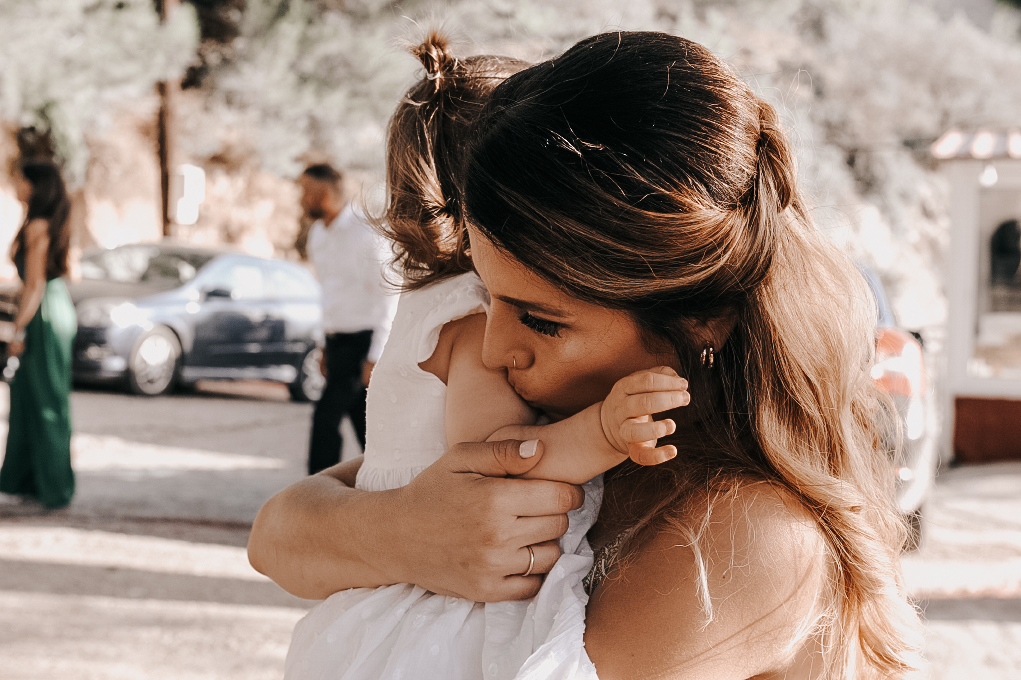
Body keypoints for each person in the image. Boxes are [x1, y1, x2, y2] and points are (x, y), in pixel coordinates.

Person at [251, 31, 924, 679]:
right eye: (487, 297)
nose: (494, 349)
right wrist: (407, 532)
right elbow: (276, 534)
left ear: (701, 320)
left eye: (541, 322)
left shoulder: (749, 535)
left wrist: (391, 537)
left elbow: (306, 532)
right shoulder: (563, 427)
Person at [285, 33, 687, 680]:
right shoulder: (475, 314)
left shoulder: (430, 303)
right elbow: (496, 464)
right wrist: (605, 430)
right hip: (452, 614)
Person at [300, 163, 396, 474]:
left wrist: (375, 355)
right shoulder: (318, 234)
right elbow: (328, 294)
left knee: (325, 417)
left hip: (362, 343)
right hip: (336, 342)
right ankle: (385, 477)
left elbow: (386, 294)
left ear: (325, 194)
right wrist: (323, 344)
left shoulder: (365, 233)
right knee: (361, 419)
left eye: (306, 192)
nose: (300, 199)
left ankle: (316, 487)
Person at [0, 160, 77, 510]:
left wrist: (18, 329)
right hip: (53, 308)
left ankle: (54, 488)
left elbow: (35, 285)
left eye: (20, 180)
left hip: (43, 315)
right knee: (30, 400)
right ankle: (30, 482)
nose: (16, 185)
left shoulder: (38, 226)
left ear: (34, 185)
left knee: (45, 402)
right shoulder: (51, 222)